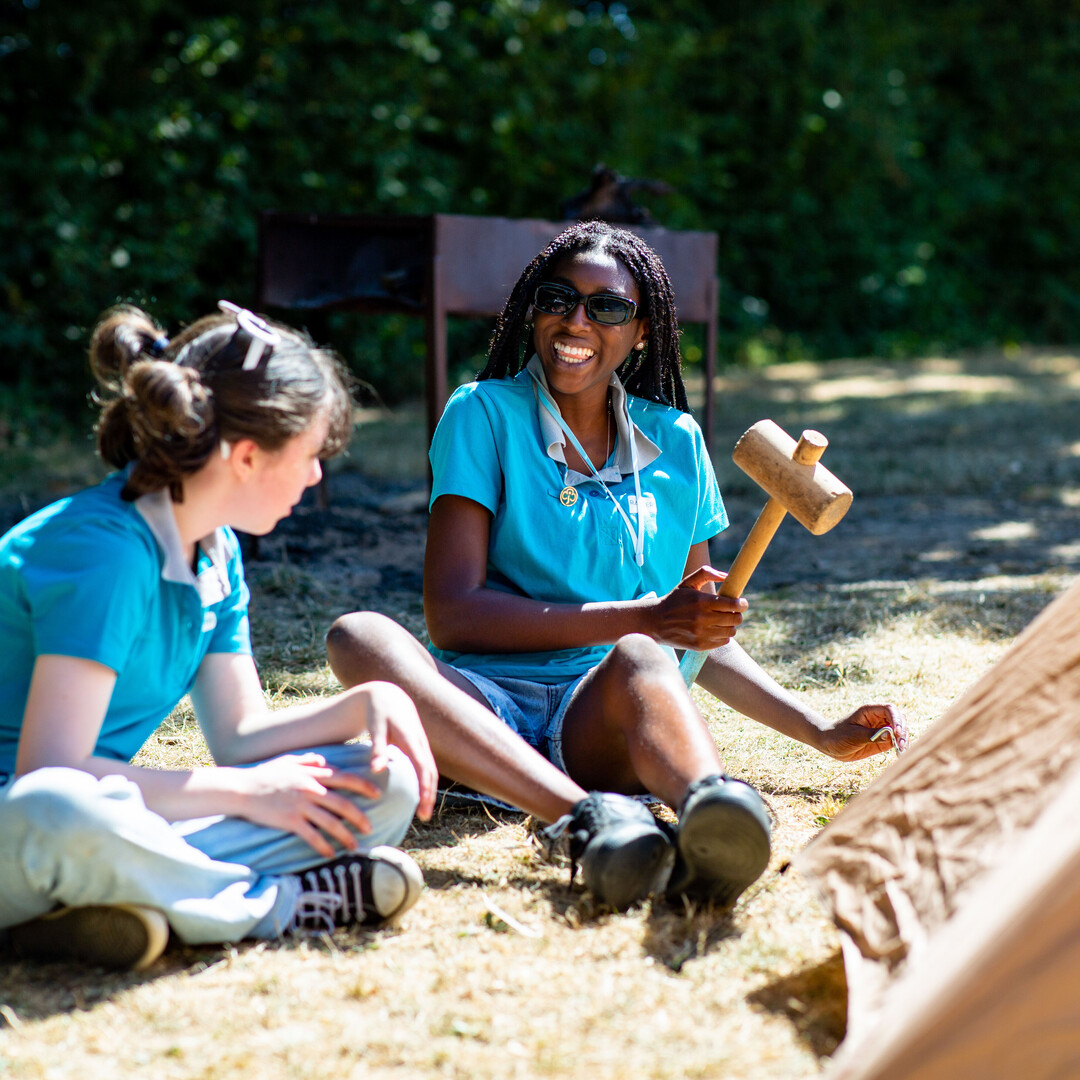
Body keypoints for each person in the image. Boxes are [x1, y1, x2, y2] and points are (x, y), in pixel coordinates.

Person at [326, 221, 907, 914]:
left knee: (640, 657)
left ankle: (714, 821)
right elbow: (452, 615)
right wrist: (652, 616)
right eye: (557, 299)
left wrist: (818, 732)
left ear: (641, 333)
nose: (577, 321)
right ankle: (586, 820)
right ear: (531, 309)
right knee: (358, 636)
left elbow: (695, 634)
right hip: (481, 708)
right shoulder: (481, 413)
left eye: (607, 308)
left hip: (600, 716)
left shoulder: (676, 440)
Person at [0, 302, 439, 971]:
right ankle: (277, 906)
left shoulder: (215, 549)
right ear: (245, 455)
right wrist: (245, 795)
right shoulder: (106, 554)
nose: (318, 475)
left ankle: (108, 908)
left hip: (99, 825)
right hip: (31, 822)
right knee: (58, 810)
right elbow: (48, 773)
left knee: (385, 786)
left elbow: (239, 738)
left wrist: (365, 703)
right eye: (310, 454)